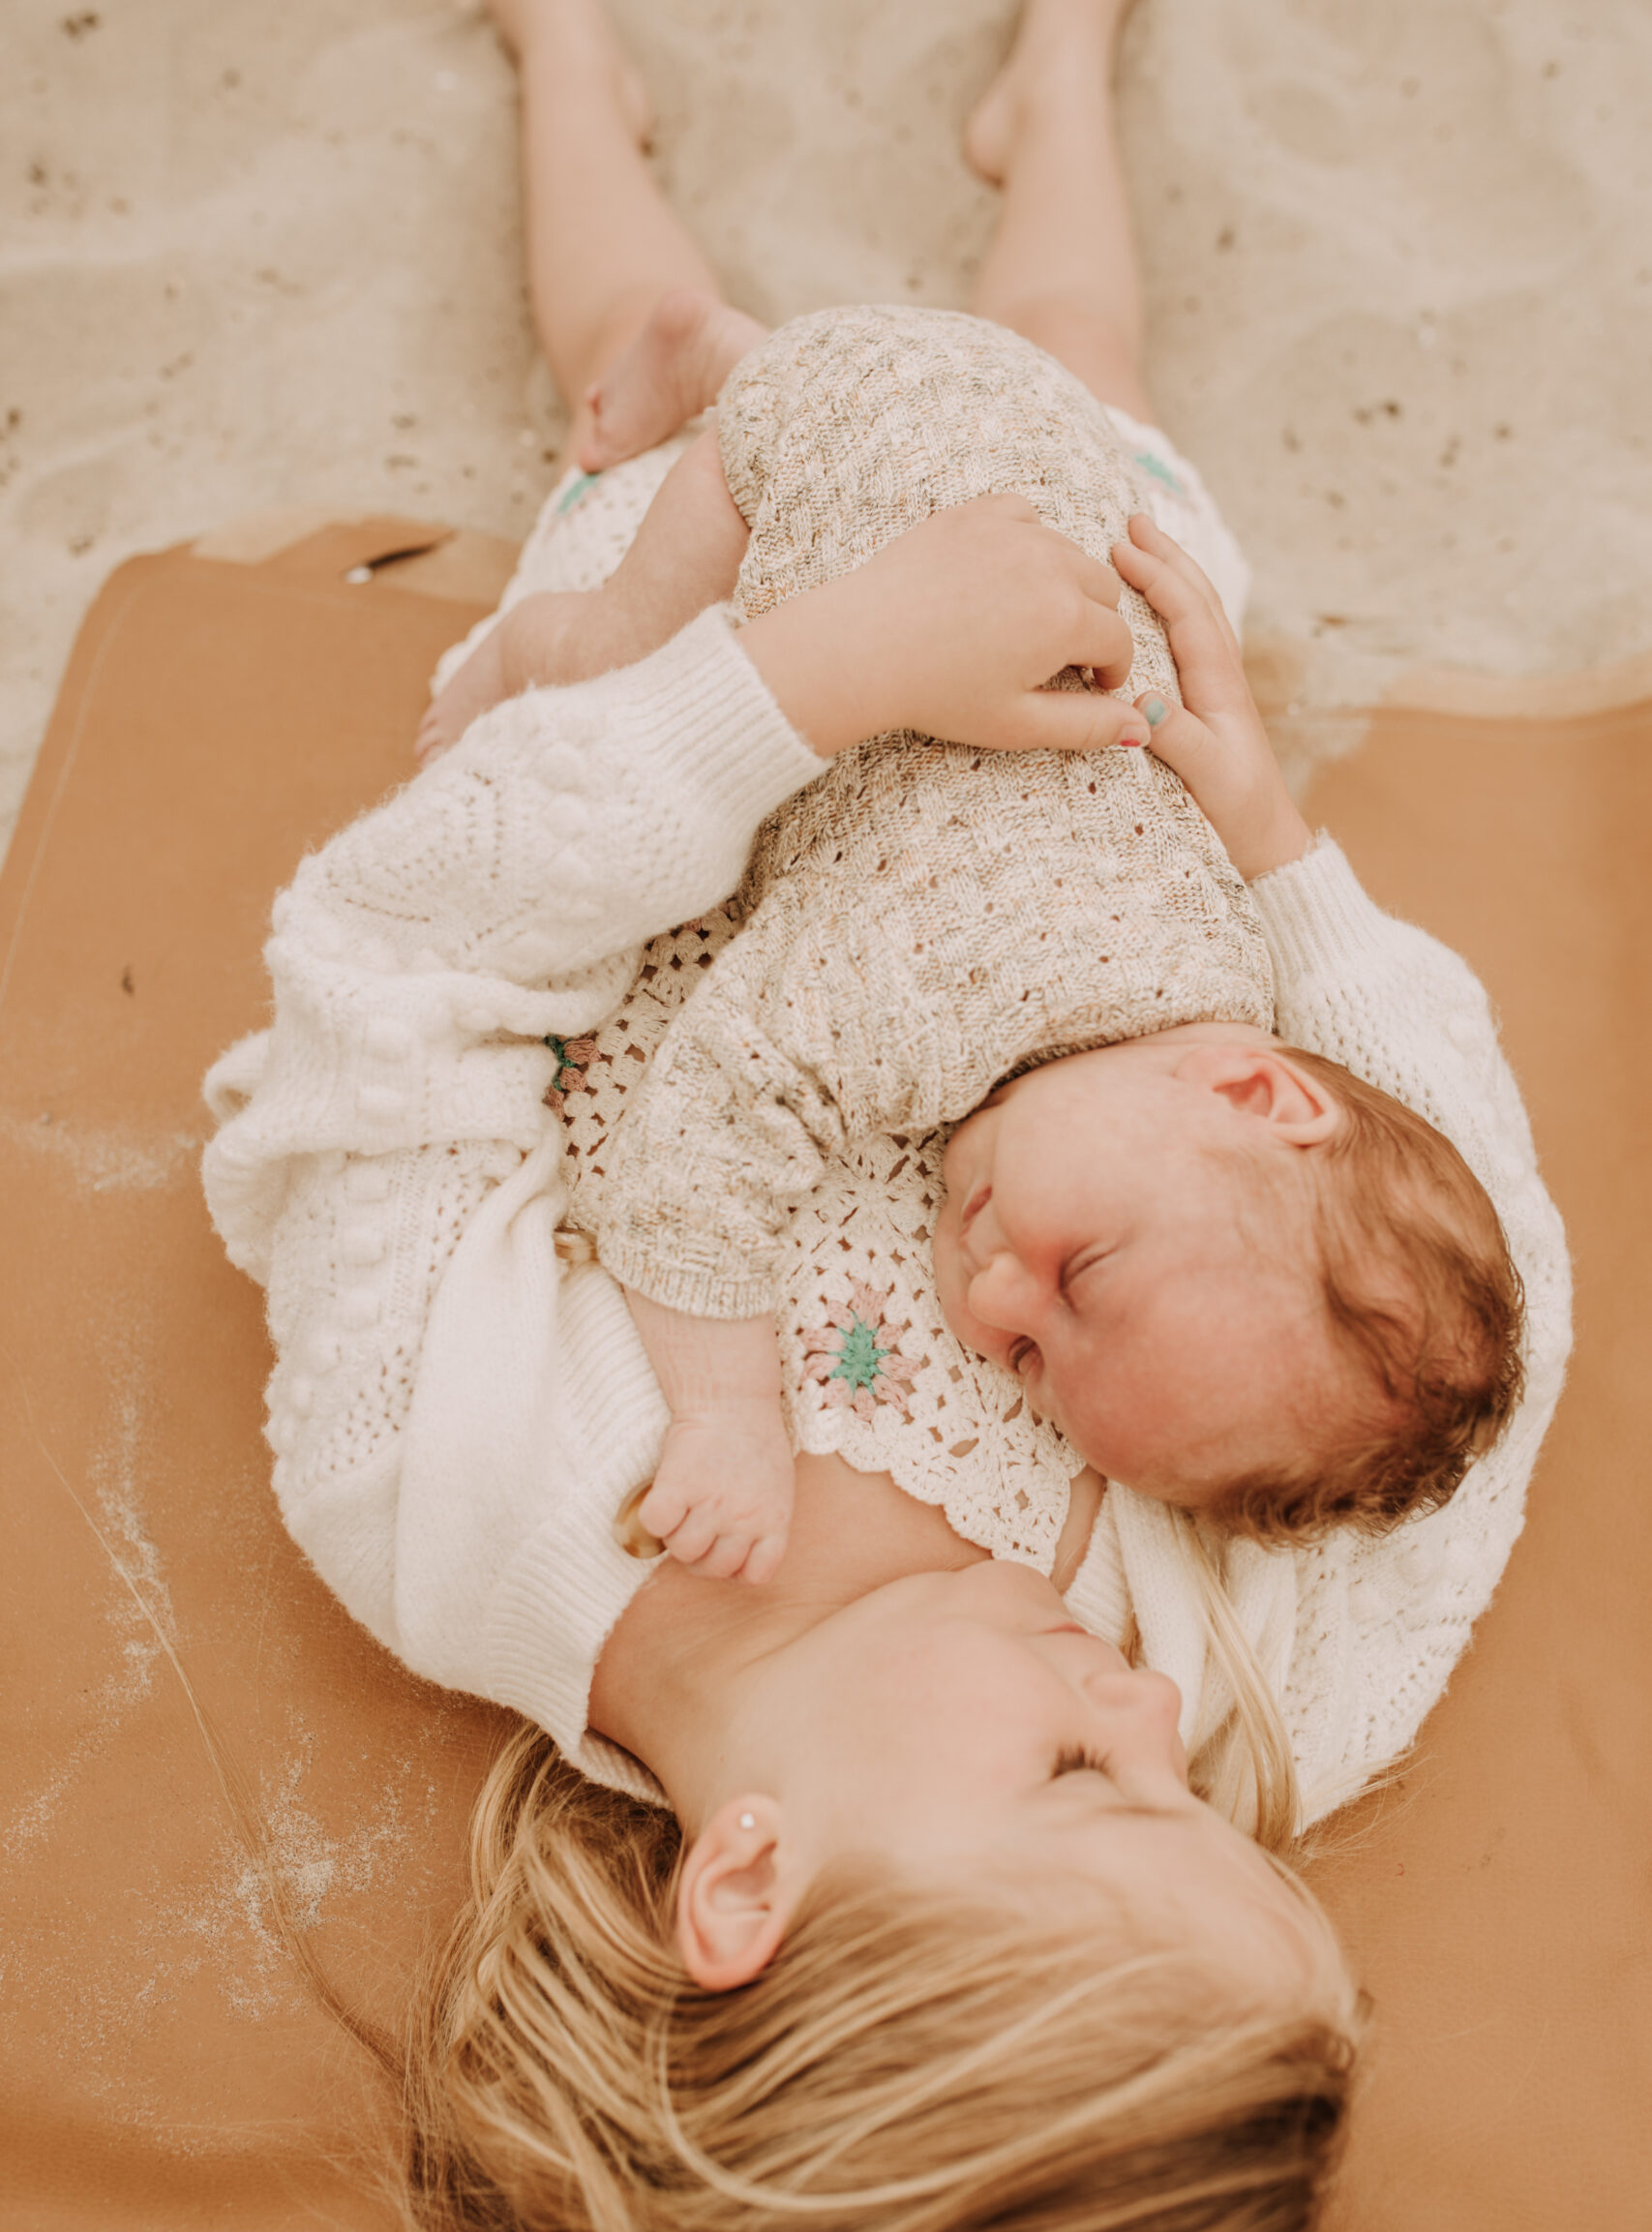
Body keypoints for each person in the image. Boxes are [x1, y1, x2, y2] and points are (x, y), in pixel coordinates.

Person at [198, 0, 1568, 2232]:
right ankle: (1051, 102)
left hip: (690, 638)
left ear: (750, 1886)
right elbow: (1499, 1311)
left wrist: (797, 675)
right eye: (1204, 1806)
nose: (1165, 1722)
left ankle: (564, 74)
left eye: (1082, 1776)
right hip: (1089, 713)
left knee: (636, 366)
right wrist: (1286, 868)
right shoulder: (1259, 1691)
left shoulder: (439, 1481)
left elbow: (390, 977)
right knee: (1071, 358)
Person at [416, 297, 1522, 1590]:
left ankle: (734, 342)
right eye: (1081, 1272)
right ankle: (540, 616)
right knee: (610, 661)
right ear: (1251, 1088)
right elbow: (696, 1149)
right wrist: (728, 1416)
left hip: (1022, 429)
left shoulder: (1229, 1000)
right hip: (818, 444)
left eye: (1031, 1366)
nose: (994, 1300)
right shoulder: (927, 992)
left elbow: (1386, 1080)